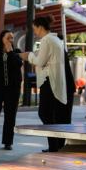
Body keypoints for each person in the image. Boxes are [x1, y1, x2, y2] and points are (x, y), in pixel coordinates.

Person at [19, 16, 67, 152]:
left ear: (40, 27)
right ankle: (55, 145)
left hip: (48, 81)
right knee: (49, 114)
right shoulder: (55, 39)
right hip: (54, 81)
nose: (34, 32)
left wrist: (28, 56)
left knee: (45, 114)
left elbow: (40, 61)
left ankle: (54, 145)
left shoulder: (47, 40)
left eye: (34, 29)